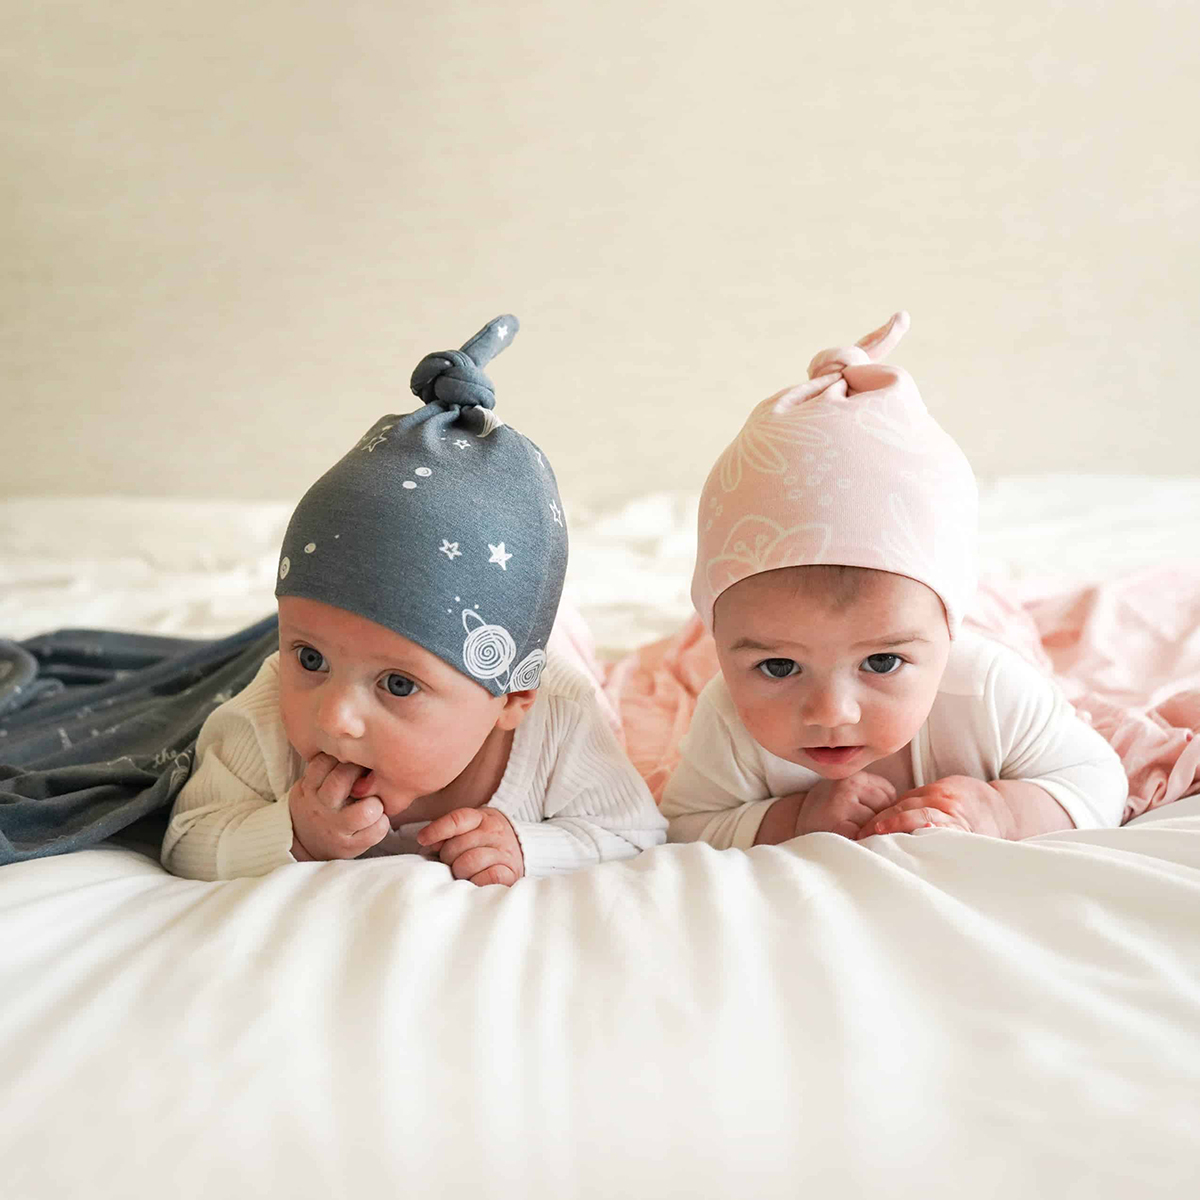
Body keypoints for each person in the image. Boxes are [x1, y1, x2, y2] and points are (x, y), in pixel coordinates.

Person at [162, 315, 666, 884]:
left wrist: (531, 846)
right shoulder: (264, 717)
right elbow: (186, 840)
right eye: (311, 658)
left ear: (510, 699)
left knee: (557, 628)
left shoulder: (560, 718)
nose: (335, 716)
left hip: (534, 638)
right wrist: (293, 834)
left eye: (398, 684)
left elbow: (635, 834)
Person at [661, 312, 1128, 849]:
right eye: (778, 666)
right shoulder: (726, 717)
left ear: (946, 634)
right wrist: (793, 820)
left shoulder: (988, 686)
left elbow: (1097, 780)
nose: (832, 712)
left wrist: (1002, 811)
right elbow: (686, 826)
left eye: (882, 662)